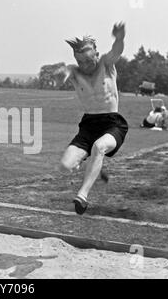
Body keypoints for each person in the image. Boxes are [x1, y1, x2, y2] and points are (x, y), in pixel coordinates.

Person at [55, 22, 129, 215]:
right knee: (65, 166)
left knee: (99, 147)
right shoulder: (74, 71)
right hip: (88, 125)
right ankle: (94, 166)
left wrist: (119, 38)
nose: (85, 66)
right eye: (81, 62)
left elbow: (116, 50)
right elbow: (65, 72)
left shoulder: (106, 63)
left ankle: (82, 196)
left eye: (89, 61)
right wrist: (61, 75)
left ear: (96, 54)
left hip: (112, 123)